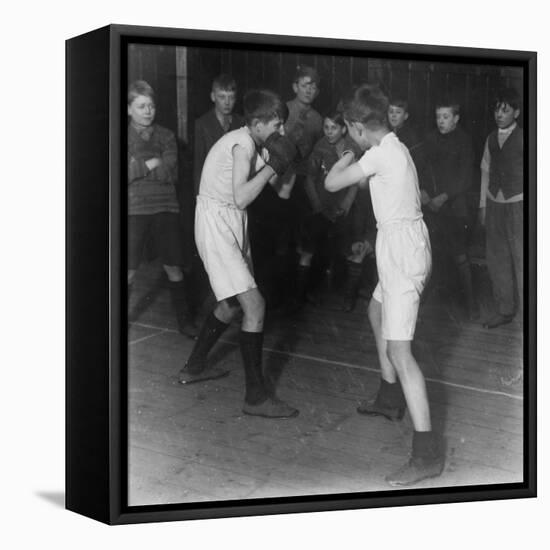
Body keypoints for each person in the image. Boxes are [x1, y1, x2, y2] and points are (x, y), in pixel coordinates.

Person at [325, 84, 444, 486]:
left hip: (403, 252)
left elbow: (331, 184)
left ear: (358, 127)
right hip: (401, 243)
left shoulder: (376, 153)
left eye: (349, 131)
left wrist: (344, 154)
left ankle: (426, 454)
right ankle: (389, 397)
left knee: (401, 351)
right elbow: (365, 185)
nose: (348, 136)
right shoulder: (396, 146)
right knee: (374, 311)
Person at [178, 89, 300, 419]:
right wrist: (273, 164)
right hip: (217, 221)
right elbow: (243, 196)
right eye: (277, 125)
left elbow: (285, 192)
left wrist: (290, 162)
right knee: (254, 305)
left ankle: (194, 367)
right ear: (257, 123)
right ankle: (256, 398)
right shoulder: (242, 144)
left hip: (231, 221)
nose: (282, 132)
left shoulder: (257, 142)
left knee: (231, 303)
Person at [127, 80, 197, 338]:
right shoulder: (119, 136)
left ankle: (185, 321)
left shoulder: (167, 135)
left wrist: (139, 167)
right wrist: (151, 163)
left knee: (173, 266)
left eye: (151, 106)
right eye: (141, 106)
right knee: (129, 269)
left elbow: (171, 173)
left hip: (166, 206)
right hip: (134, 209)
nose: (148, 111)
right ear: (128, 109)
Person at [293, 109, 362, 309]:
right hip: (321, 207)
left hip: (342, 207)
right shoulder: (320, 147)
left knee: (349, 248)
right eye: (326, 127)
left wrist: (346, 205)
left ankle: (349, 297)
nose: (329, 132)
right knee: (310, 249)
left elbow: (355, 182)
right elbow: (309, 180)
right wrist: (318, 206)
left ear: (343, 129)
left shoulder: (351, 148)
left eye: (334, 128)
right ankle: (300, 295)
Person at [421, 98, 478, 320]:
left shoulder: (464, 140)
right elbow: (421, 168)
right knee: (427, 254)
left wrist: (444, 197)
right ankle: (423, 299)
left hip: (454, 207)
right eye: (438, 117)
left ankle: (471, 305)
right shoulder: (430, 139)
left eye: (446, 117)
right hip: (430, 207)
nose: (441, 121)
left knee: (459, 254)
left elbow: (466, 177)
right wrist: (424, 192)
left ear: (456, 118)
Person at [478, 88, 523, 329]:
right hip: (495, 204)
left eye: (505, 110)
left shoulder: (527, 137)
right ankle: (504, 310)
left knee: (523, 260)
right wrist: (484, 206)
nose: (499, 114)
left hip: (519, 205)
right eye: (497, 109)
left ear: (516, 112)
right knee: (497, 259)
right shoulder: (490, 138)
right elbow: (485, 171)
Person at [193, 74, 244, 195]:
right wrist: (199, 195)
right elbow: (198, 164)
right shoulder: (202, 124)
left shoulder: (242, 122)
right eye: (222, 97)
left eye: (231, 97)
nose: (227, 102)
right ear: (213, 97)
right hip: (212, 189)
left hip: (236, 189)